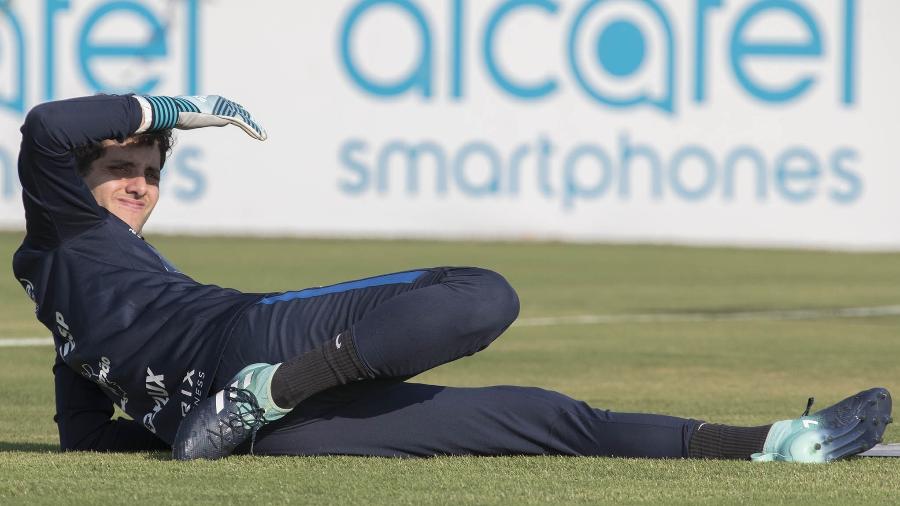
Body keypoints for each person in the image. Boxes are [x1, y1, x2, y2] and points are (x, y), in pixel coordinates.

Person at [12, 94, 892, 463]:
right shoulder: (67, 232)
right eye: (120, 165)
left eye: (152, 167)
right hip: (246, 351)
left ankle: (774, 444)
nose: (139, 180)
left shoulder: (60, 284)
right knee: (481, 291)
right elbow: (51, 125)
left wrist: (177, 435)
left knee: (545, 420)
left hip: (245, 425)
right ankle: (266, 390)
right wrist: (176, 111)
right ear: (69, 186)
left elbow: (86, 437)